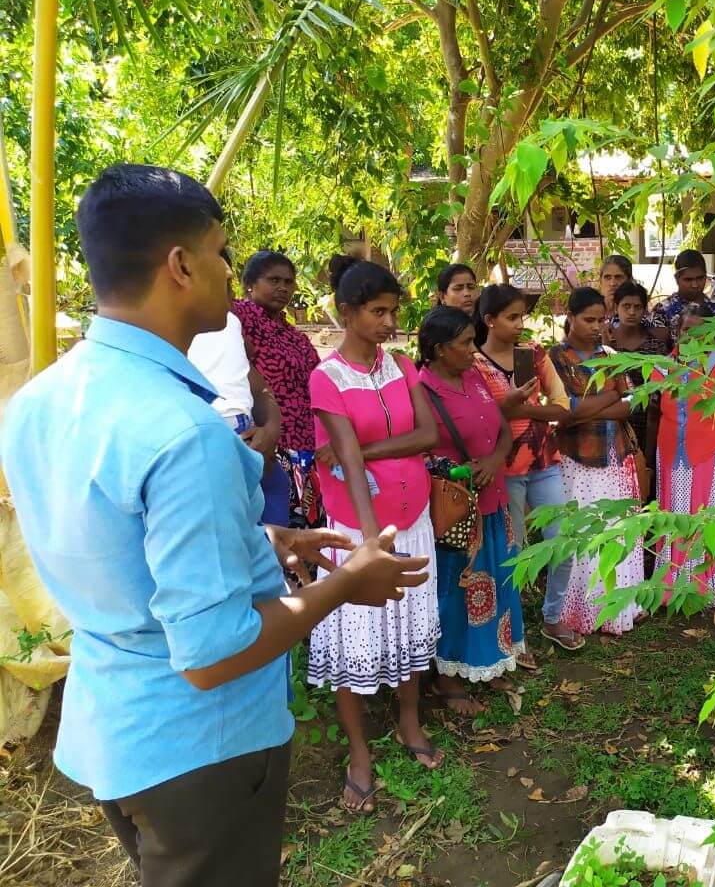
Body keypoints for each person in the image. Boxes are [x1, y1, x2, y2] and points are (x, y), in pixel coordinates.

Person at [0, 164, 428, 886]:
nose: (232, 273)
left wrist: (263, 539)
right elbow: (209, 654)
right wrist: (346, 583)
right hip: (200, 750)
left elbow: (110, 544)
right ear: (180, 265)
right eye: (224, 253)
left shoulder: (45, 398)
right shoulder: (182, 432)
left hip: (116, 732)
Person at [308, 256, 445, 812]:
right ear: (346, 313)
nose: (390, 322)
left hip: (413, 522)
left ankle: (410, 722)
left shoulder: (401, 366)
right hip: (359, 529)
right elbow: (343, 458)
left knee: (410, 624)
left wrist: (361, 451)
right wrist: (370, 546)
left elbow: (428, 433)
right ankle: (359, 752)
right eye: (378, 311)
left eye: (394, 311)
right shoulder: (327, 377)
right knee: (355, 635)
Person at [418, 306, 525, 711]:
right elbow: (422, 451)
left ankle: (484, 661)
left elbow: (501, 428)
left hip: (493, 500)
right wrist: (462, 471)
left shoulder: (475, 376)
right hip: (458, 512)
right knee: (456, 592)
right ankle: (448, 680)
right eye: (465, 343)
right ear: (440, 349)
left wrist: (497, 459)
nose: (473, 349)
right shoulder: (424, 390)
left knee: (494, 586)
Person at [473, 284, 586, 651]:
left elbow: (563, 407)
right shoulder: (473, 363)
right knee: (514, 551)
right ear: (489, 320)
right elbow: (479, 421)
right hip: (502, 469)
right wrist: (510, 407)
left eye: (523, 315)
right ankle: (513, 630)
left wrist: (520, 409)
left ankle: (553, 619)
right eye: (511, 317)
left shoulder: (533, 354)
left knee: (562, 542)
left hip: (543, 460)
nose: (520, 324)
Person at [548, 288, 647, 636]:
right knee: (582, 533)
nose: (595, 326)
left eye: (600, 319)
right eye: (588, 319)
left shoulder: (611, 355)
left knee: (616, 533)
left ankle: (618, 607)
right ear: (570, 318)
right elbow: (565, 412)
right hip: (575, 459)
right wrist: (612, 394)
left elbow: (632, 406)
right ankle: (581, 611)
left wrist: (591, 405)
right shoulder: (555, 358)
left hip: (614, 457)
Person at [649, 303, 715, 605]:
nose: (692, 338)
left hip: (707, 451)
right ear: (677, 333)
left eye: (700, 331)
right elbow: (654, 410)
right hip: (668, 451)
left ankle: (707, 586)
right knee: (673, 515)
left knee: (706, 513)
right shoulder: (663, 366)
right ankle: (673, 585)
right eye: (686, 331)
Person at [187, 259, 289, 530]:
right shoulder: (210, 324)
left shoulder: (228, 321)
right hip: (219, 431)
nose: (231, 290)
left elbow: (253, 380)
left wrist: (271, 428)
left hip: (240, 430)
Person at [235, 249, 322, 527]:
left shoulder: (294, 336)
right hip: (267, 446)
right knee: (274, 537)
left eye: (288, 281)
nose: (283, 287)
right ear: (250, 284)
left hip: (305, 445)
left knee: (304, 534)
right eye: (273, 280)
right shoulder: (238, 319)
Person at [611, 280, 671, 466]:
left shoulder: (656, 346)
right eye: (626, 306)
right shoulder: (606, 343)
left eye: (637, 307)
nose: (631, 312)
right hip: (612, 422)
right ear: (616, 307)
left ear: (645, 310)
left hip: (648, 426)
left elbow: (661, 393)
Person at [651, 248, 715, 337]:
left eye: (700, 278)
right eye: (688, 280)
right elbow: (658, 348)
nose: (695, 285)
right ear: (677, 279)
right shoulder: (662, 311)